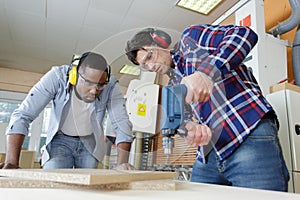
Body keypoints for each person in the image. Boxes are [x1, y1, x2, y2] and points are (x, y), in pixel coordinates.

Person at [125, 25, 290, 191]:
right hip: (210, 153)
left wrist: (207, 73)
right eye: (145, 65)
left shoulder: (191, 40)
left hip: (246, 135)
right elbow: (186, 121)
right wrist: (190, 129)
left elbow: (244, 34)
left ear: (161, 41)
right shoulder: (175, 82)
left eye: (150, 57)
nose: (151, 67)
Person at [0, 52, 133, 169]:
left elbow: (121, 122)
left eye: (100, 85)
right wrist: (11, 161)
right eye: (88, 82)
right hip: (60, 140)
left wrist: (122, 164)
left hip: (90, 143)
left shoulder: (110, 86)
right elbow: (23, 115)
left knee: (88, 189)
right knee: (55, 183)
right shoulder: (57, 78)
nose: (94, 91)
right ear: (74, 76)